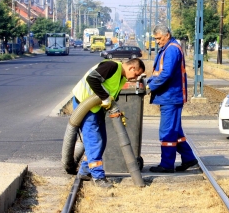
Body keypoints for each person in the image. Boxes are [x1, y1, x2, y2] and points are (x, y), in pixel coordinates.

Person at [72, 58, 145, 188]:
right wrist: (105, 98)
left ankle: (85, 170)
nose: (136, 77)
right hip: (85, 104)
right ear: (132, 68)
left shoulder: (121, 77)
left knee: (102, 140)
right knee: (94, 140)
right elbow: (92, 79)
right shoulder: (112, 66)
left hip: (97, 107)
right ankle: (98, 177)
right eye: (136, 74)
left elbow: (110, 95)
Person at [146, 25, 198, 173]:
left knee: (167, 131)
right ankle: (189, 159)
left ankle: (167, 164)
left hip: (171, 97)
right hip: (169, 96)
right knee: (175, 131)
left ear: (167, 35)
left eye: (158, 38)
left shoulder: (172, 49)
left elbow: (165, 74)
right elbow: (160, 72)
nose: (157, 41)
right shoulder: (168, 48)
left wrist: (150, 86)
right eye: (155, 39)